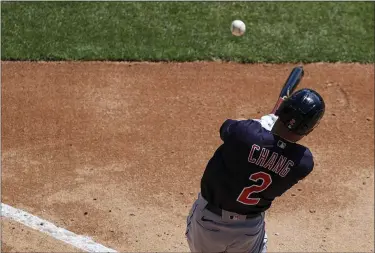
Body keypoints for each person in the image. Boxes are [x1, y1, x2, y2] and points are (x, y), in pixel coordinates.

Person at [185, 88, 325, 253]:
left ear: (282, 109)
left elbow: (228, 127)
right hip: (248, 230)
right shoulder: (303, 162)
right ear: (309, 130)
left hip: (208, 224)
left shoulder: (245, 133)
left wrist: (262, 123)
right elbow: (275, 150)